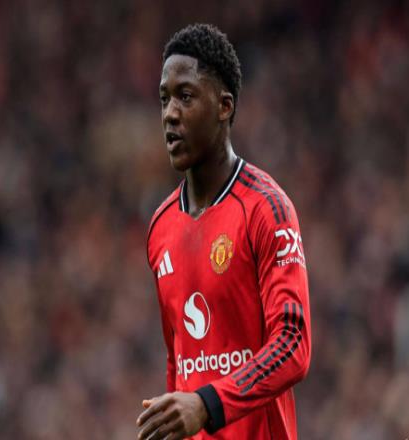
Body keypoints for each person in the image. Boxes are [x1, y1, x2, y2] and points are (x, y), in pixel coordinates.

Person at [137, 23, 311, 440]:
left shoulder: (266, 209)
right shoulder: (160, 227)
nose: (170, 113)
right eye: (164, 99)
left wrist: (206, 404)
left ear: (224, 106)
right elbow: (180, 360)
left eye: (185, 96)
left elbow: (293, 345)